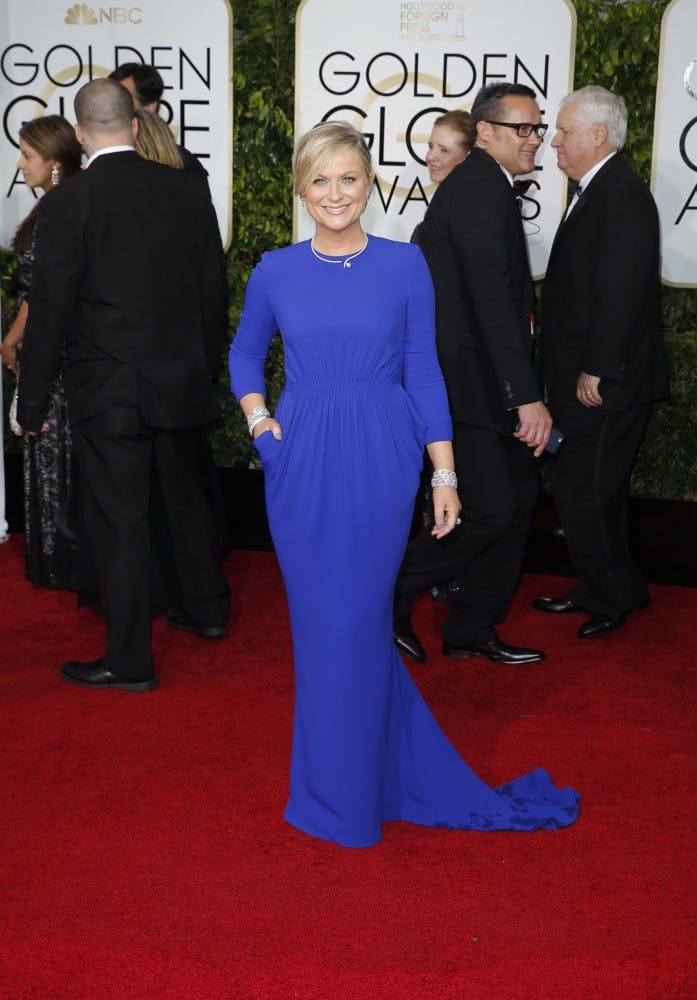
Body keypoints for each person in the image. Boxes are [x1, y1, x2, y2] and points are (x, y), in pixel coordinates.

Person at [229, 120, 579, 848]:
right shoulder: (274, 268)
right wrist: (262, 428)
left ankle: (352, 791)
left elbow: (422, 370)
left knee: (357, 623)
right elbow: (242, 356)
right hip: (301, 463)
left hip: (383, 458)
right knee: (324, 632)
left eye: (348, 179)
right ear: (301, 188)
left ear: (369, 184)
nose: (335, 194)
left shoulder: (403, 265)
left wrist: (443, 471)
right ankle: (350, 784)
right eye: (320, 180)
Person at [16, 78, 230, 691]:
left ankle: (130, 659)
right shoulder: (187, 190)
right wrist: (202, 361)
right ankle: (209, 612)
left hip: (107, 390)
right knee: (184, 496)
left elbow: (51, 310)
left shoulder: (68, 203)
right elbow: (213, 290)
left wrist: (31, 403)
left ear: (80, 136)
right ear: (135, 126)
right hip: (179, 377)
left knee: (121, 521)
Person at [393, 83, 551, 666]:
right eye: (522, 128)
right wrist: (525, 397)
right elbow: (489, 302)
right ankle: (388, 593)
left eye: (538, 128)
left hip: (480, 381)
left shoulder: (484, 186)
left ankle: (471, 625)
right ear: (485, 132)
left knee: (518, 494)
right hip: (466, 386)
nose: (534, 139)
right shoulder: (481, 187)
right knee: (489, 508)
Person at [535, 86, 668, 638]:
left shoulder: (622, 195)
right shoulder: (596, 190)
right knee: (592, 489)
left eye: (564, 131)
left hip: (606, 383)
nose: (554, 141)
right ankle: (608, 587)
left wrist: (599, 368)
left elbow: (623, 291)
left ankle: (612, 593)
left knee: (584, 491)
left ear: (598, 135)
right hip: (591, 377)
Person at [1, 116, 82, 589]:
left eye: (27, 155)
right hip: (49, 355)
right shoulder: (55, 206)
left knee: (53, 447)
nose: (19, 163)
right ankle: (56, 559)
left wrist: (11, 338)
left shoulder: (59, 209)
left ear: (53, 163)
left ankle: (62, 560)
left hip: (54, 357)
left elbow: (42, 292)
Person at [109, 63, 208, 177]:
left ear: (150, 107)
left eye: (123, 99)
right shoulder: (105, 164)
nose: (112, 107)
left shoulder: (185, 164)